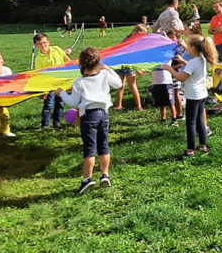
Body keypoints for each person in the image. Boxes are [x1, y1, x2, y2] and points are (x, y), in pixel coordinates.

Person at [56, 47, 123, 194]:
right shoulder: (105, 75)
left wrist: (61, 93)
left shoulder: (79, 82)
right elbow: (118, 84)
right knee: (103, 145)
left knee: (90, 148)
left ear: (81, 64)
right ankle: (105, 175)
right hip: (103, 115)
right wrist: (108, 69)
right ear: (98, 62)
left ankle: (87, 179)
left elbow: (73, 102)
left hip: (88, 117)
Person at [162, 35, 217, 156]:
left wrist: (169, 69)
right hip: (202, 94)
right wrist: (183, 61)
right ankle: (203, 146)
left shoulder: (193, 62)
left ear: (193, 47)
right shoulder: (201, 58)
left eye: (188, 46)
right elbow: (193, 67)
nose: (186, 48)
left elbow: (181, 78)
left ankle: (190, 150)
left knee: (190, 122)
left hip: (193, 96)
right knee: (200, 121)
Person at [34, 33, 70, 129]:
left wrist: (72, 69)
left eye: (45, 43)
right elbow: (39, 75)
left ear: (48, 42)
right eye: (40, 44)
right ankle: (45, 124)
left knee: (60, 103)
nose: (43, 46)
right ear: (36, 45)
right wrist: (41, 90)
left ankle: (57, 122)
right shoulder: (38, 59)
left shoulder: (57, 49)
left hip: (61, 82)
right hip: (49, 85)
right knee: (49, 104)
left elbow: (67, 59)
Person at [114, 25, 147, 112]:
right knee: (132, 86)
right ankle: (139, 106)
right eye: (143, 34)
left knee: (120, 86)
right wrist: (138, 69)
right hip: (128, 65)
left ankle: (118, 105)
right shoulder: (134, 41)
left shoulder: (127, 38)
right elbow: (132, 56)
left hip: (119, 63)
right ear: (138, 32)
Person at [208, 1, 222, 67]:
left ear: (221, 7)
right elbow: (209, 30)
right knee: (217, 61)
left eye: (217, 6)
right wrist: (216, 30)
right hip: (215, 42)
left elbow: (220, 29)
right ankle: (220, 76)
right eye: (214, 7)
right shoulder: (213, 18)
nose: (215, 8)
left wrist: (214, 30)